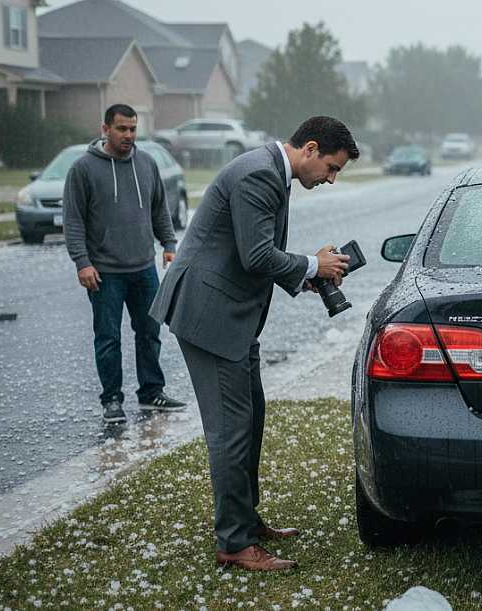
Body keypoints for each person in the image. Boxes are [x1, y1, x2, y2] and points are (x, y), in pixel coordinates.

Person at [149, 116, 358, 571]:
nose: (330, 178)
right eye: (331, 167)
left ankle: (245, 518)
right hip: (210, 317)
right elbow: (257, 254)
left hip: (232, 318)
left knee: (251, 418)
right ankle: (234, 542)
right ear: (310, 148)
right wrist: (311, 265)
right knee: (230, 430)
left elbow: (253, 253)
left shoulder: (271, 172)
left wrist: (308, 275)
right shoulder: (259, 174)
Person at [63, 103, 186, 425]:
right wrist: (82, 262)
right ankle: (112, 400)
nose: (128, 135)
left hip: (143, 268)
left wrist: (169, 244)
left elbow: (160, 209)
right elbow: (73, 221)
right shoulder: (83, 169)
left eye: (133, 129)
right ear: (105, 129)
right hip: (104, 272)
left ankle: (151, 392)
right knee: (108, 338)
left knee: (150, 332)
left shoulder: (146, 163)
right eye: (122, 129)